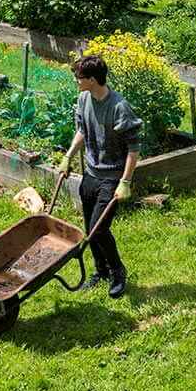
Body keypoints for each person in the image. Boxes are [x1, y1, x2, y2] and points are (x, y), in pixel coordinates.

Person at [58, 54, 141, 299]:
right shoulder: (84, 98)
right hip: (91, 173)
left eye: (79, 77)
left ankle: (118, 271)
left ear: (92, 79)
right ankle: (101, 271)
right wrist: (68, 156)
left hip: (112, 176)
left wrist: (125, 182)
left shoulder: (119, 107)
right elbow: (82, 131)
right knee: (89, 227)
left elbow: (134, 149)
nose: (76, 80)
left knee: (98, 228)